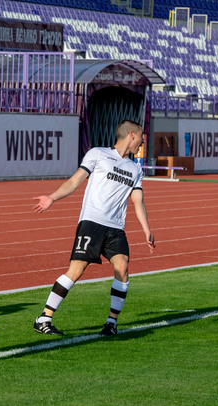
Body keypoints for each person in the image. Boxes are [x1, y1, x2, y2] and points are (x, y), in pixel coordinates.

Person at [32, 119, 156, 336]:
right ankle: (44, 318)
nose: (142, 142)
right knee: (76, 270)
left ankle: (111, 323)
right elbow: (75, 181)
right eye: (141, 137)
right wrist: (52, 197)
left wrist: (146, 229)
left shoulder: (135, 169)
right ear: (131, 135)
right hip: (92, 222)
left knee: (122, 268)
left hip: (116, 228)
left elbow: (138, 201)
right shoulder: (98, 154)